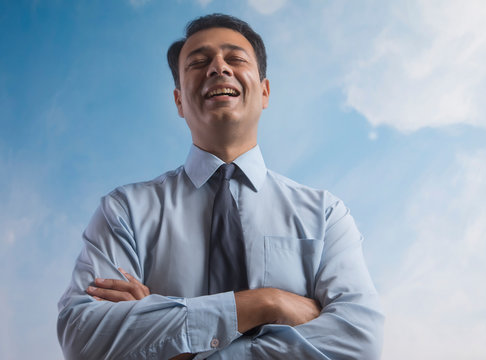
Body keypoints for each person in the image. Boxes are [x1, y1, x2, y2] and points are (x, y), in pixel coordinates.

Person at [57, 13, 384, 360]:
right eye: (198, 62)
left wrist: (171, 340)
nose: (218, 68)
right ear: (179, 101)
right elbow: (84, 336)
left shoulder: (325, 214)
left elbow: (359, 342)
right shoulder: (125, 211)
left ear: (265, 91)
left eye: (235, 58)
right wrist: (265, 303)